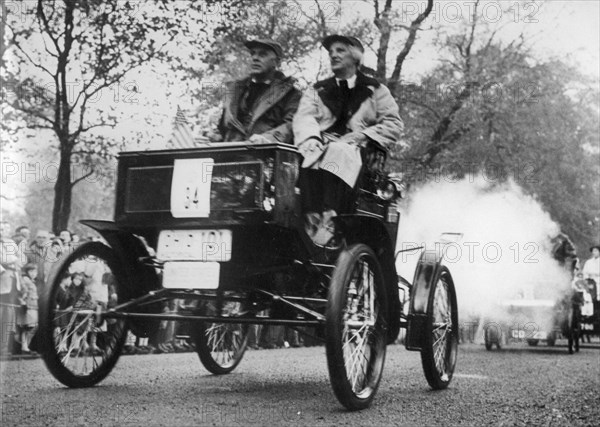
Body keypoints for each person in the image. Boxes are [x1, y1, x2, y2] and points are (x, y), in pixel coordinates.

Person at [293, 34, 403, 245]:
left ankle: (332, 218)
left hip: (361, 153)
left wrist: (363, 135)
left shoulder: (376, 90)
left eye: (340, 50)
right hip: (322, 147)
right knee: (307, 153)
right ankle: (311, 217)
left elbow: (393, 124)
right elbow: (304, 118)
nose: (333, 55)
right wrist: (311, 138)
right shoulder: (317, 90)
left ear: (355, 57)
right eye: (331, 51)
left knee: (340, 150)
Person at [208, 39, 301, 144]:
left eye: (263, 54)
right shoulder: (234, 92)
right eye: (253, 54)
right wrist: (211, 136)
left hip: (266, 155)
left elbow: (291, 125)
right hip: (231, 154)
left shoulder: (291, 93)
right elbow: (223, 128)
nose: (255, 58)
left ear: (276, 62)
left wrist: (267, 139)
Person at [1, 221, 24, 356]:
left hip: (13, 281)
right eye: (0, 229)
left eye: (4, 229)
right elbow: (3, 258)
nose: (1, 232)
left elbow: (22, 259)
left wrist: (15, 261)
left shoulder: (10, 243)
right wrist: (12, 260)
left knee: (9, 316)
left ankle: (4, 347)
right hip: (2, 279)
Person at [17, 263, 39, 353]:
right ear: (27, 272)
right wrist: (23, 300)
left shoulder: (32, 281)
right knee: (27, 326)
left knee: (31, 326)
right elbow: (22, 291)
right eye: (31, 271)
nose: (33, 273)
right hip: (28, 306)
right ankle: (24, 346)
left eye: (35, 271)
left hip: (33, 306)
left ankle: (25, 345)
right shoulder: (25, 280)